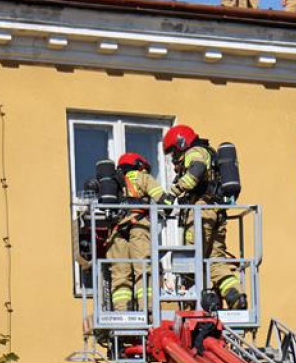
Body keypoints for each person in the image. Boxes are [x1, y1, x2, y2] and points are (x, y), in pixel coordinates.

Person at [163, 125, 248, 310]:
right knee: (215, 260)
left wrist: (173, 193)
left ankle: (194, 305)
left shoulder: (195, 152)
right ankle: (235, 296)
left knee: (191, 258)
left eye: (173, 153)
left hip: (201, 212)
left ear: (181, 144)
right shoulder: (206, 152)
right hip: (217, 211)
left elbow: (198, 168)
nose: (173, 160)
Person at [106, 153, 171, 312]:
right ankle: (147, 309)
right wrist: (169, 207)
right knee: (143, 268)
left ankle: (122, 311)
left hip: (115, 231)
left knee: (120, 273)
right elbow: (163, 199)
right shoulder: (141, 177)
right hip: (138, 226)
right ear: (138, 164)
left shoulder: (112, 184)